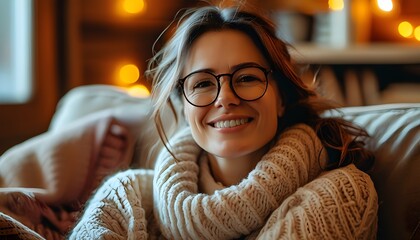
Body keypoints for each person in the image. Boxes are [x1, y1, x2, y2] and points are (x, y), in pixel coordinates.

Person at [69, 4, 378, 239]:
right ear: (183, 105)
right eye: (202, 83)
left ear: (281, 97)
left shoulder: (340, 195)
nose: (225, 98)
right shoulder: (126, 196)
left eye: (246, 78)